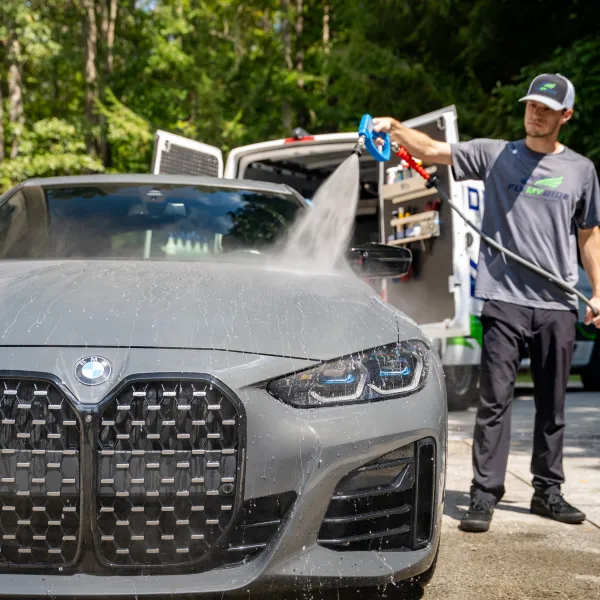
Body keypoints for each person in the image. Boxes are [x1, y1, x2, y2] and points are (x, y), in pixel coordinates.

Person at [373, 73, 600, 533]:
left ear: (566, 116)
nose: (535, 112)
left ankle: (548, 491)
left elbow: (589, 233)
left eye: (546, 108)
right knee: (494, 402)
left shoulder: (581, 170)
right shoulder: (496, 154)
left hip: (557, 303)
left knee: (552, 404)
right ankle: (483, 495)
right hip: (504, 299)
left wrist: (598, 289)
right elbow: (432, 151)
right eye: (531, 104)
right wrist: (394, 128)